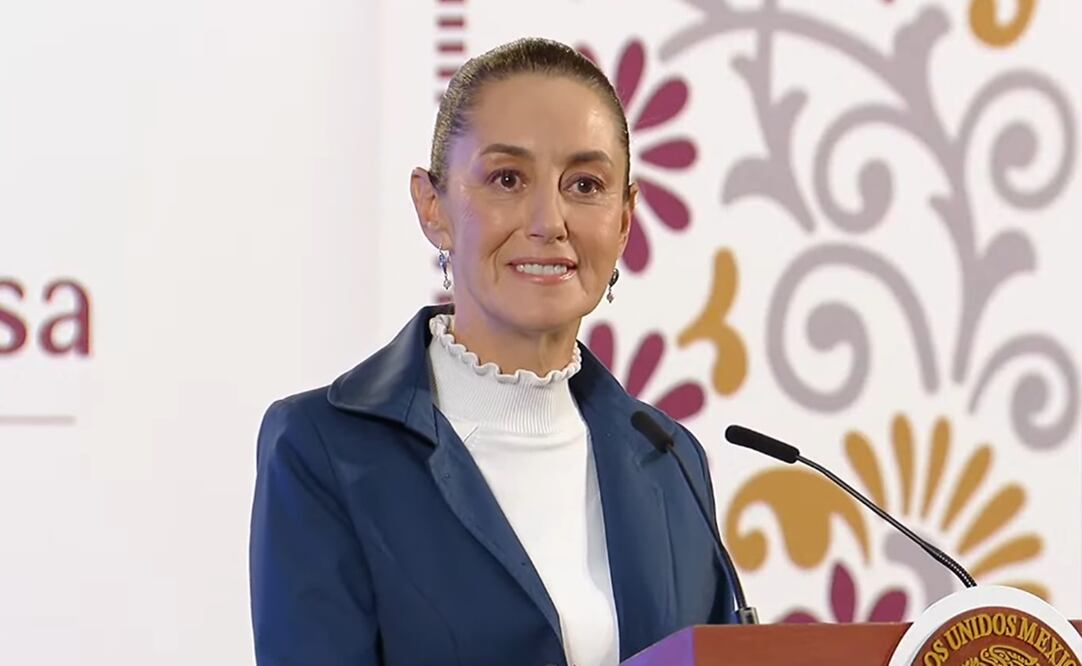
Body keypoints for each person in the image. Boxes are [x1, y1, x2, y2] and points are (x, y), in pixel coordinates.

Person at [249, 37, 737, 666]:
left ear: (623, 220)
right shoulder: (323, 448)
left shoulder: (671, 462)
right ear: (434, 207)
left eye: (585, 184)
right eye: (507, 178)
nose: (548, 220)